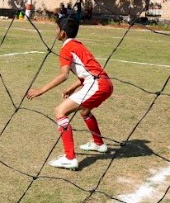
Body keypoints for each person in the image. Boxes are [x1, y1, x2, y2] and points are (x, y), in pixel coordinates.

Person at [25, 15, 112, 170]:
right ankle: (99, 144)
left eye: (57, 29)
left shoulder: (66, 48)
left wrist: (40, 90)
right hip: (105, 83)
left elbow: (63, 75)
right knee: (85, 111)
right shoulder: (79, 45)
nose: (55, 31)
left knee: (60, 111)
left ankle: (69, 158)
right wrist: (73, 87)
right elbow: (90, 71)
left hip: (97, 84)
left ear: (63, 33)